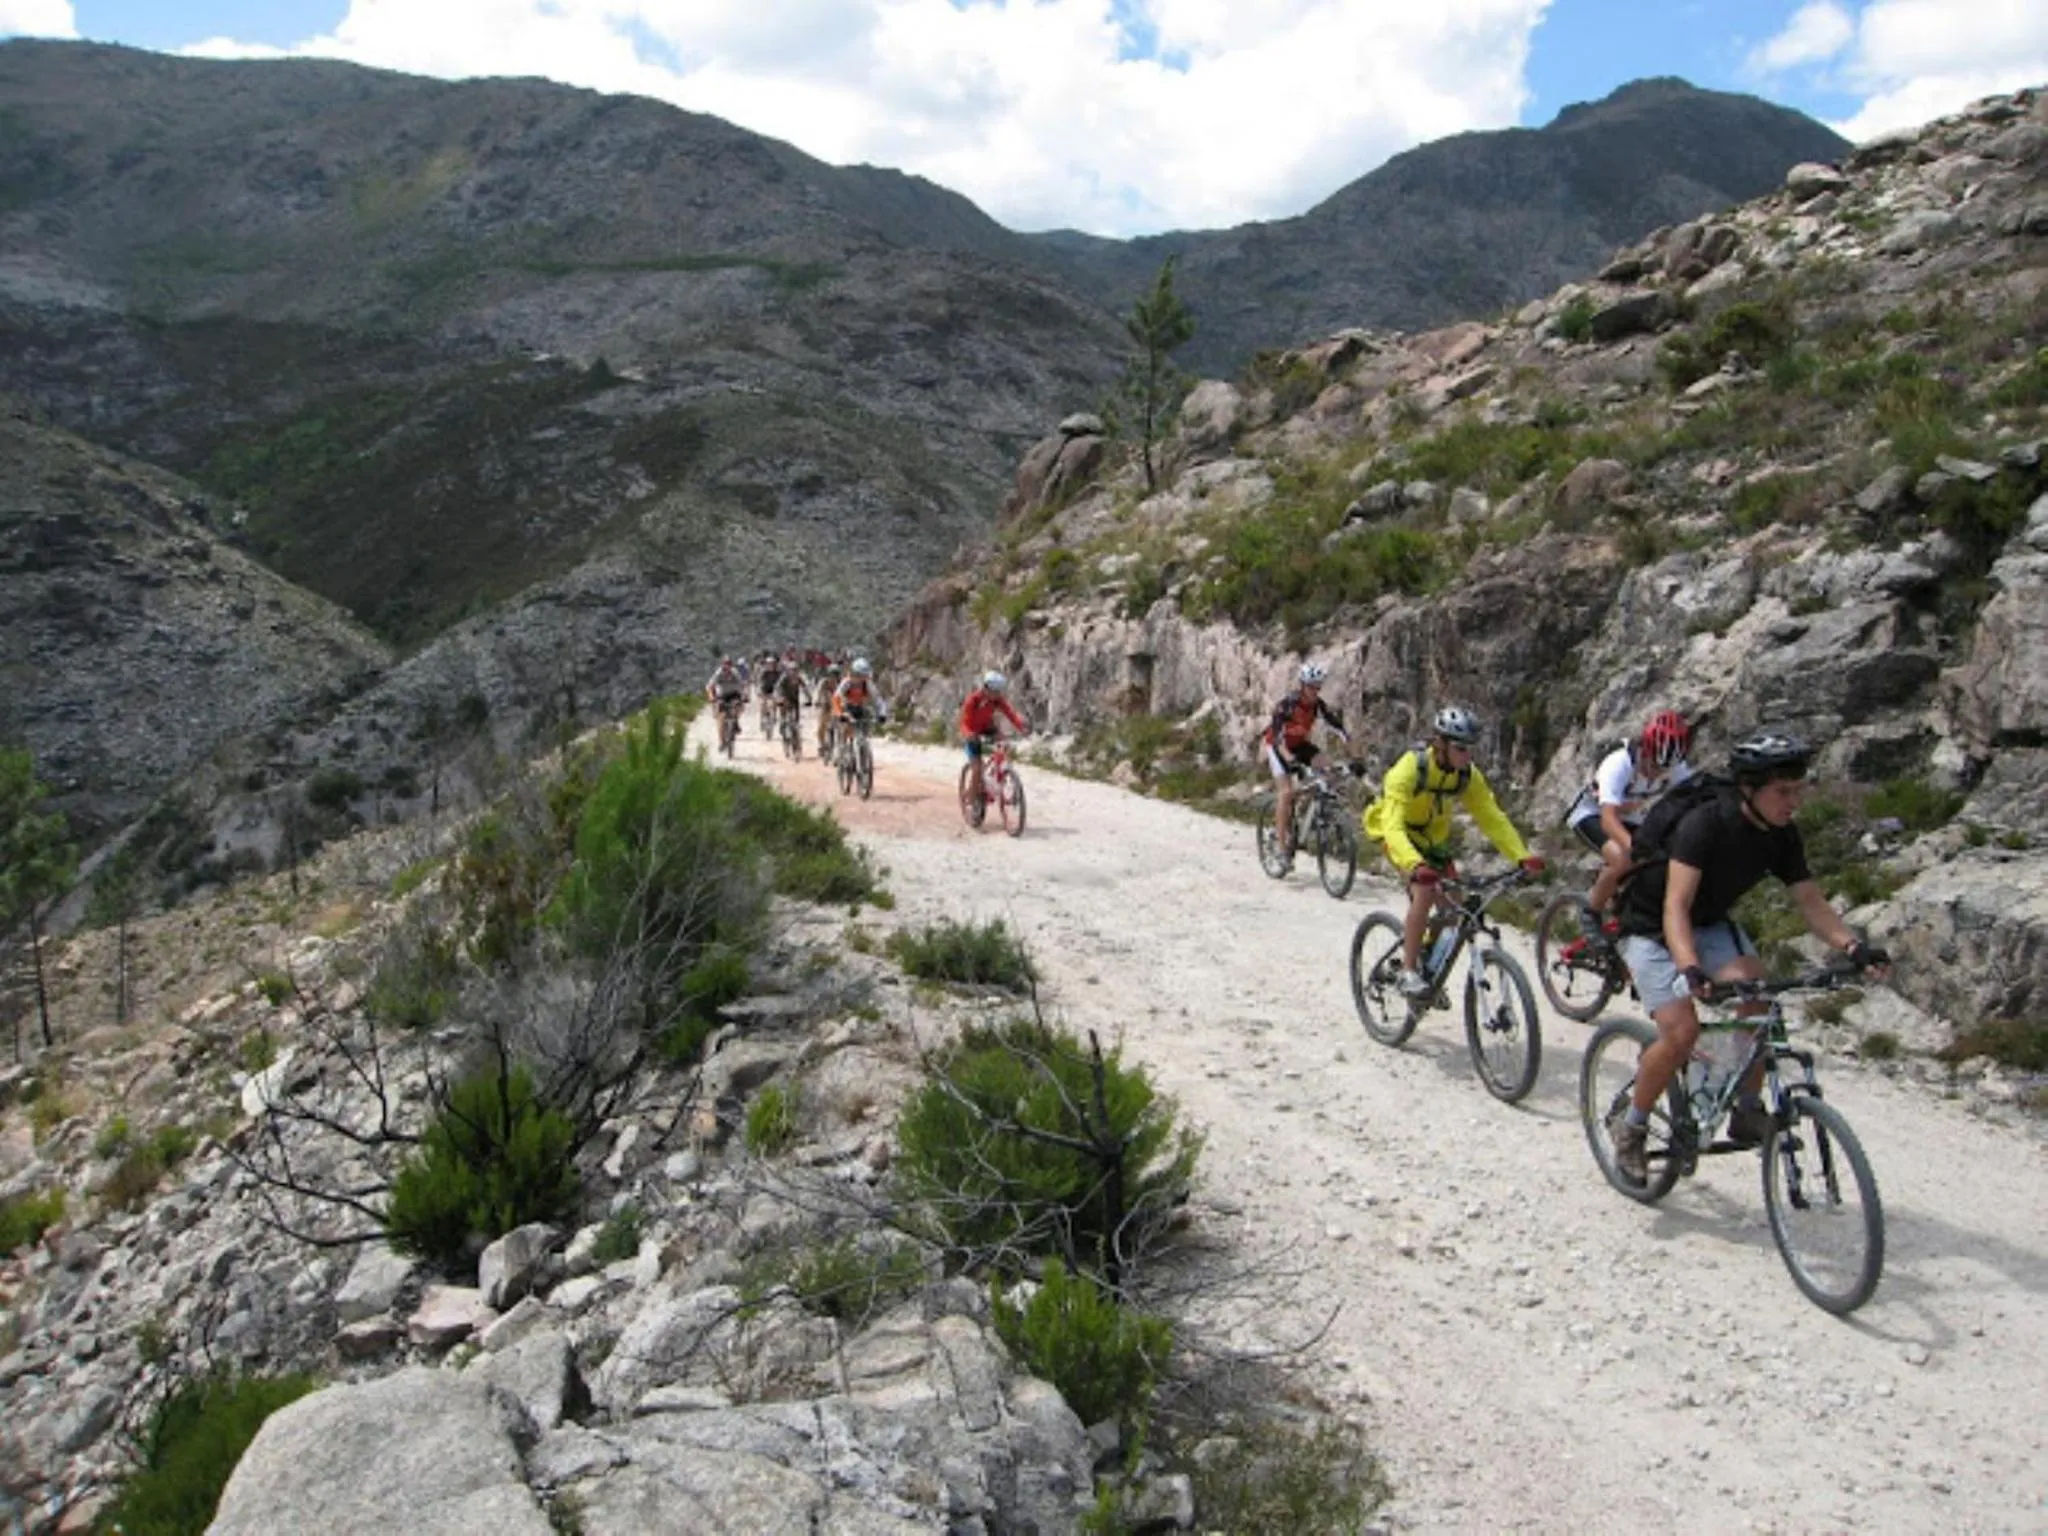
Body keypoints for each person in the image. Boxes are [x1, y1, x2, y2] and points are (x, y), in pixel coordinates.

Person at [1604, 731, 1889, 1184]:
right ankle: (1632, 1126)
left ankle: (1746, 1109)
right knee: (1682, 1032)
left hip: (1710, 922)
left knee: (1757, 997)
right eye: (1783, 792)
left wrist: (1852, 946)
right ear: (1749, 789)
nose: (1793, 802)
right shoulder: (1706, 825)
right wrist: (1690, 969)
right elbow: (1675, 907)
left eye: (1798, 790)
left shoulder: (1780, 835)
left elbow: (1810, 900)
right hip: (1654, 928)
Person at [1364, 705, 1545, 997]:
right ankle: (1409, 971)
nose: (1467, 756)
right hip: (1397, 835)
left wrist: (1521, 856)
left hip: (1433, 841)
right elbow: (1393, 825)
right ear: (1441, 743)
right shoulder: (1410, 769)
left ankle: (1428, 963)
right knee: (1424, 892)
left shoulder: (1466, 775)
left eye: (1470, 749)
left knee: (1454, 909)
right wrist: (1413, 864)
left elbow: (1491, 816)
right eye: (1460, 748)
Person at [1565, 710, 1695, 923]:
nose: (1658, 774)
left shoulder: (1674, 767)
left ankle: (1625, 910)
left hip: (1632, 818)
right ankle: (1591, 915)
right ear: (1645, 749)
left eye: (1665, 769)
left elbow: (1693, 801)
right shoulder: (1619, 763)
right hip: (1592, 814)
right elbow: (1608, 819)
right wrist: (1634, 847)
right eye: (1654, 766)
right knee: (1623, 857)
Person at [1263, 663, 1350, 872]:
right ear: (1302, 686)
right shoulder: (1288, 705)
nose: (1314, 691)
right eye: (1311, 687)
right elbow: (1276, 735)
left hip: (1299, 744)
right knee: (1286, 793)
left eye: (1318, 687)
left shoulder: (1318, 705)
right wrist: (1288, 758)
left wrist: (1352, 752)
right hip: (1277, 746)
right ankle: (1282, 848)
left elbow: (1338, 728)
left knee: (1328, 768)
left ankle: (1308, 811)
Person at [960, 670, 1031, 807]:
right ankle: (971, 795)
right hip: (971, 732)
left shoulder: (997, 701)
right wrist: (969, 734)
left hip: (987, 728)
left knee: (1003, 743)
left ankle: (1003, 775)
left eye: (999, 691)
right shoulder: (973, 700)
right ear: (986, 688)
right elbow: (964, 723)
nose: (997, 694)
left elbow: (1011, 714)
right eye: (995, 691)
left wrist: (1021, 728)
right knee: (977, 768)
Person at [831, 658, 888, 755]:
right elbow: (836, 698)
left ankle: (864, 753)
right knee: (845, 729)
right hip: (846, 708)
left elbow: (878, 700)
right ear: (854, 673)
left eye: (864, 675)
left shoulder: (867, 684)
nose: (862, 678)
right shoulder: (847, 682)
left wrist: (882, 714)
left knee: (864, 730)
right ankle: (841, 752)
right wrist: (840, 713)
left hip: (860, 708)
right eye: (860, 675)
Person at [705, 656, 747, 743]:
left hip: (734, 694)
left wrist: (744, 695)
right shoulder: (718, 673)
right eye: (725, 664)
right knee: (720, 717)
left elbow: (742, 684)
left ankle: (735, 721)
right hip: (722, 695)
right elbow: (709, 686)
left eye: (729, 664)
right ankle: (721, 741)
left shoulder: (735, 673)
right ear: (722, 665)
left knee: (738, 706)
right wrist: (711, 696)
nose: (727, 666)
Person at [815, 654, 846, 759]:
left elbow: (846, 695)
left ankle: (841, 747)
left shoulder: (842, 683)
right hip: (825, 705)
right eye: (832, 674)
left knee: (842, 726)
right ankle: (821, 744)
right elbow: (817, 692)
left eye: (836, 674)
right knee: (821, 725)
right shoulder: (824, 682)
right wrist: (816, 701)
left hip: (837, 706)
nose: (834, 677)